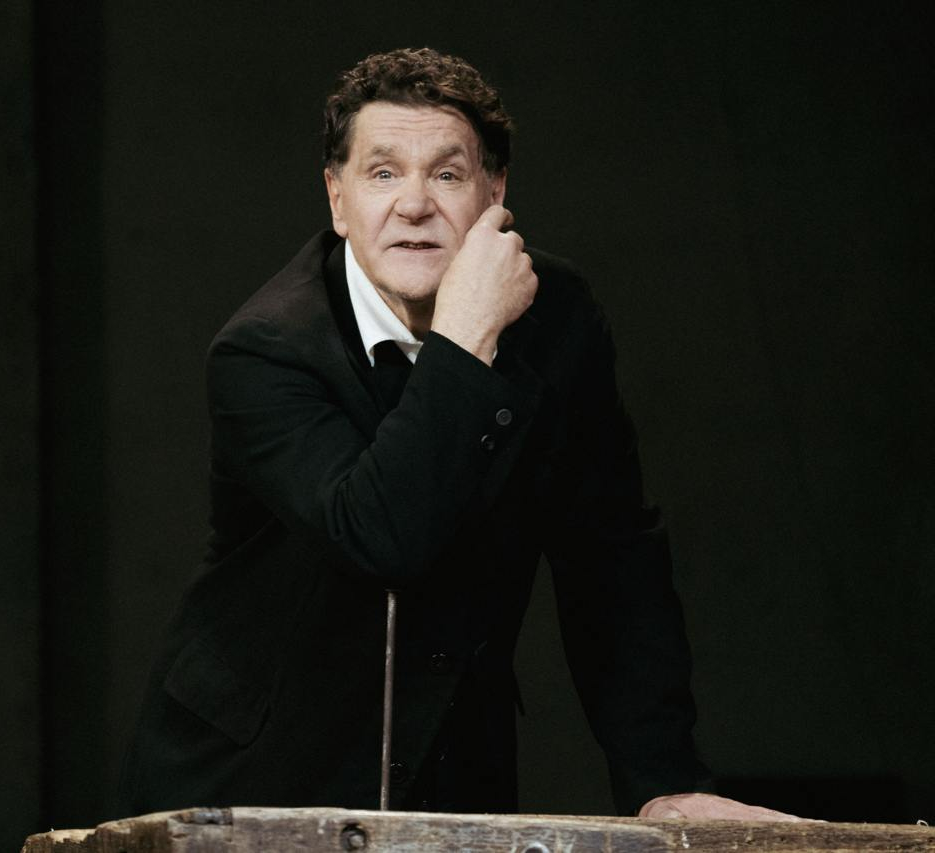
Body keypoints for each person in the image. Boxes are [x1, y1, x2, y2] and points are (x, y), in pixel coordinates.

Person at [121, 47, 798, 822]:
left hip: (449, 766)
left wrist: (663, 779)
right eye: (383, 173)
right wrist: (466, 334)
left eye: (446, 174)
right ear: (338, 199)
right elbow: (380, 537)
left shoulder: (558, 319)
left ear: (494, 193)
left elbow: (612, 557)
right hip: (253, 777)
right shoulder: (264, 350)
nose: (414, 204)